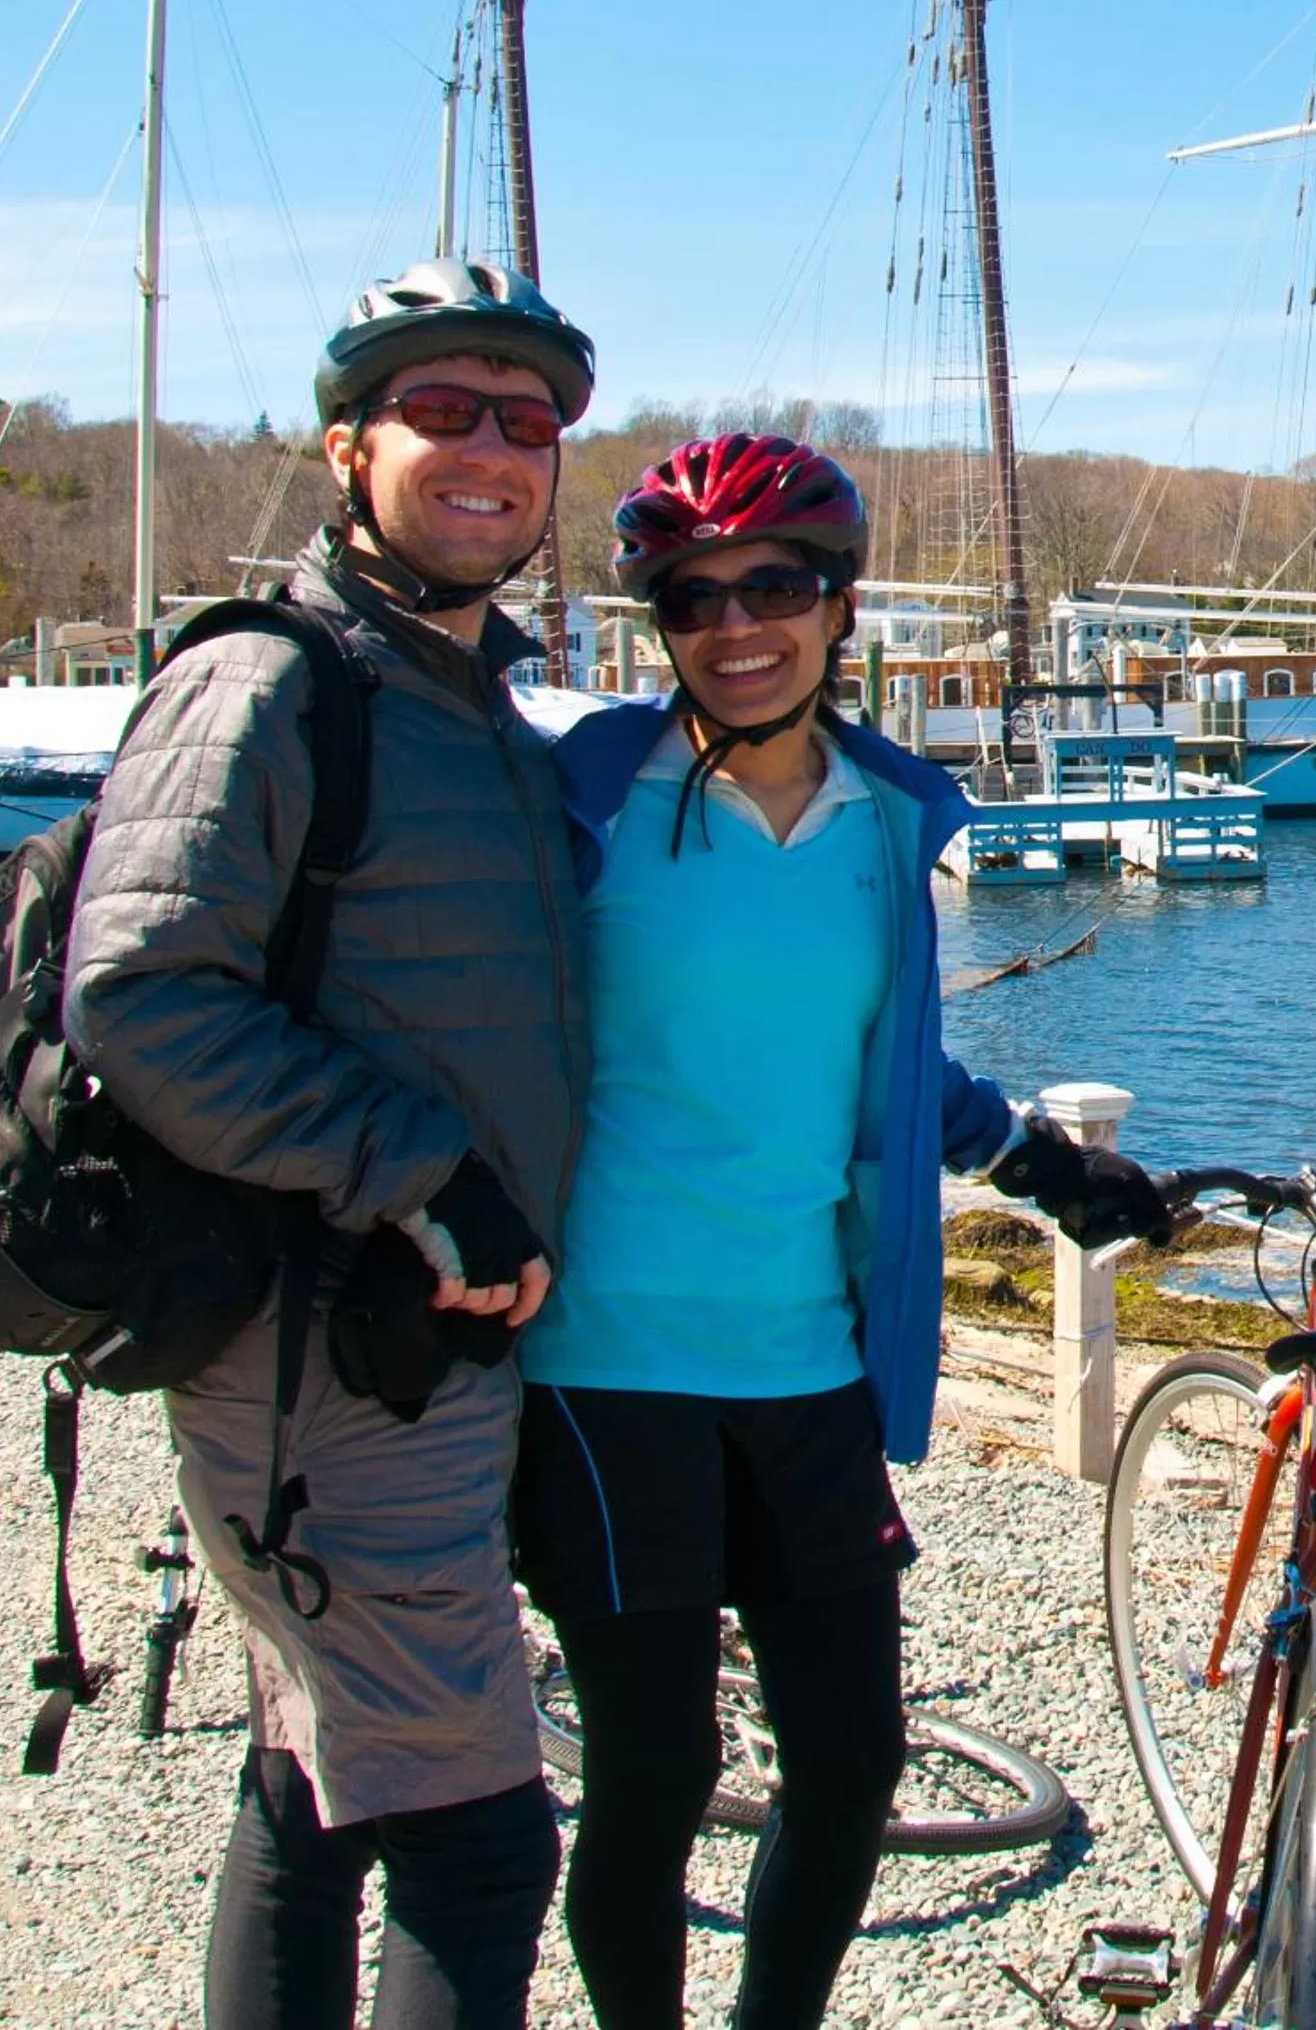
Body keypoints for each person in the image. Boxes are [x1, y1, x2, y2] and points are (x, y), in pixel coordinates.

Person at [510, 430, 1171, 2030]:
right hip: (604, 1363)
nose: (737, 624)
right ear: (653, 623)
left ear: (841, 603)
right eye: (691, 598)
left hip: (807, 1353)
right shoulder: (583, 796)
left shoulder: (888, 819)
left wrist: (1025, 1152)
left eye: (776, 585)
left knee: (855, 1758)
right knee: (655, 1770)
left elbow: (870, 1061)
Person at [65, 259, 600, 2030]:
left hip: (414, 1341)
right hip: (325, 1347)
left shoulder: (470, 709)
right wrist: (425, 1172)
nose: (491, 449)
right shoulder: (275, 684)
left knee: (314, 1786)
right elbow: (141, 996)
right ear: (343, 444)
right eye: (441, 408)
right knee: (475, 1836)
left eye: (525, 422)